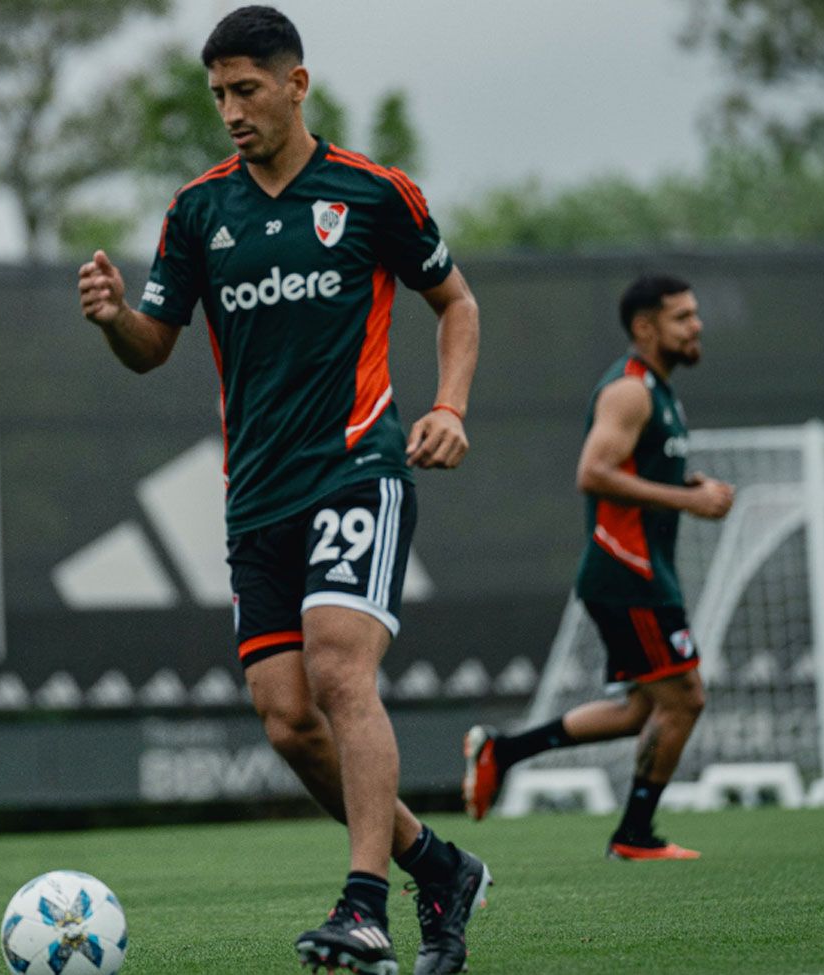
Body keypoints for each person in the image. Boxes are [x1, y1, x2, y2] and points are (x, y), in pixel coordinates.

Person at [78, 6, 487, 973]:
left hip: (357, 470)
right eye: (217, 93)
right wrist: (112, 318)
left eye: (247, 89)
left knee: (342, 672)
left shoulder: (374, 193)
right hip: (256, 497)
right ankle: (438, 865)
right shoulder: (198, 212)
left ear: (296, 84)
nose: (230, 110)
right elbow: (153, 350)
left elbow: (456, 301)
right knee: (288, 718)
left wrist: (452, 406)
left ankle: (362, 904)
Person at [463, 274, 735, 860]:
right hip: (628, 571)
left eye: (695, 314)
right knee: (685, 699)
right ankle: (634, 835)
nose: (697, 325)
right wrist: (690, 500)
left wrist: (684, 483)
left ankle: (503, 751)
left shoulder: (661, 390)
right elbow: (593, 472)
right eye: (683, 316)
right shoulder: (631, 391)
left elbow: (636, 471)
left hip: (641, 572)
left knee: (644, 708)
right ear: (645, 327)